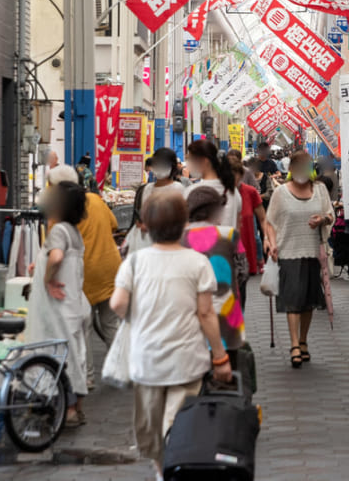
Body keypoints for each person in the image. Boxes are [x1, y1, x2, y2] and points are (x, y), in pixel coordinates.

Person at [110, 189, 233, 481]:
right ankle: (175, 463)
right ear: (182, 225)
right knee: (177, 421)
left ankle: (161, 470)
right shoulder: (196, 262)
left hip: (146, 359)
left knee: (150, 426)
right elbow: (206, 313)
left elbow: (117, 304)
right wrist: (220, 356)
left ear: (147, 226)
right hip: (186, 359)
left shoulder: (135, 263)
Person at [44, 164, 123, 390]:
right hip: (109, 268)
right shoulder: (96, 201)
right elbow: (115, 224)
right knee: (110, 323)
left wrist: (46, 276)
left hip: (84, 272)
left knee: (83, 327)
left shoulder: (58, 212)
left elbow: (54, 249)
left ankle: (86, 377)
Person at [26, 181, 92, 427]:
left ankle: (70, 411)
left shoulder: (58, 231)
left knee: (60, 357)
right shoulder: (73, 231)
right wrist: (39, 264)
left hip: (59, 309)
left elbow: (57, 257)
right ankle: (75, 409)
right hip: (73, 306)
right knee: (73, 357)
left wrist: (47, 279)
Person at [263, 150, 334, 368]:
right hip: (287, 252)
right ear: (291, 169)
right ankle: (294, 344)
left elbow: (330, 215)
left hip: (313, 251)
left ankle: (303, 341)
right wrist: (272, 243)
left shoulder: (320, 190)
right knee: (292, 299)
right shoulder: (280, 193)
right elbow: (270, 222)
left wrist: (322, 219)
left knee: (308, 302)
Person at [183, 187, 247, 357]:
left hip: (189, 312)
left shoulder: (179, 238)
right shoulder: (230, 234)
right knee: (228, 370)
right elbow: (243, 272)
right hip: (226, 312)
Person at [126, 148, 181, 255]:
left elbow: (179, 220)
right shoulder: (147, 188)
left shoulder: (178, 189)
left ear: (172, 166)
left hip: (167, 245)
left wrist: (153, 226)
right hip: (144, 242)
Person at [184, 140, 241, 233]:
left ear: (204, 161)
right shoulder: (233, 190)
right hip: (228, 246)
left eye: (190, 160)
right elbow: (238, 225)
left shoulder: (192, 192)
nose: (188, 165)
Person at [228, 157, 266, 284]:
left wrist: (268, 239)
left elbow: (263, 218)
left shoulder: (250, 192)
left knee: (241, 295)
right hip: (224, 253)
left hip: (245, 254)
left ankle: (260, 260)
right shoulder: (217, 193)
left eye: (236, 174)